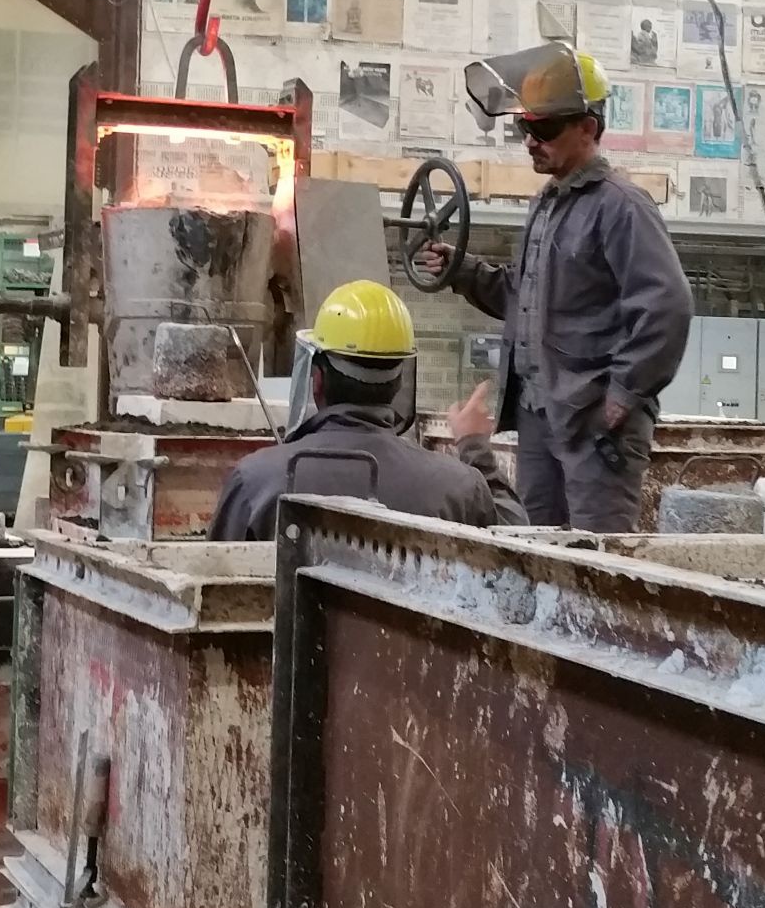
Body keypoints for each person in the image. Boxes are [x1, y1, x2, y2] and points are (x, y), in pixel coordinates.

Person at [453, 43, 693, 530]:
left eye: (543, 129)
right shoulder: (546, 205)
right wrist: (463, 270)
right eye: (524, 127)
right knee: (538, 548)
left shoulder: (621, 206)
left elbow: (667, 306)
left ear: (587, 127)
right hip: (539, 416)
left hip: (593, 424)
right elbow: (524, 299)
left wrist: (622, 395)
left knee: (594, 555)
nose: (529, 141)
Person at [209, 279, 526, 542]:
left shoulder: (256, 481)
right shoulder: (456, 488)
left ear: (316, 380)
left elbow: (216, 576)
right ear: (399, 383)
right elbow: (518, 541)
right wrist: (474, 446)